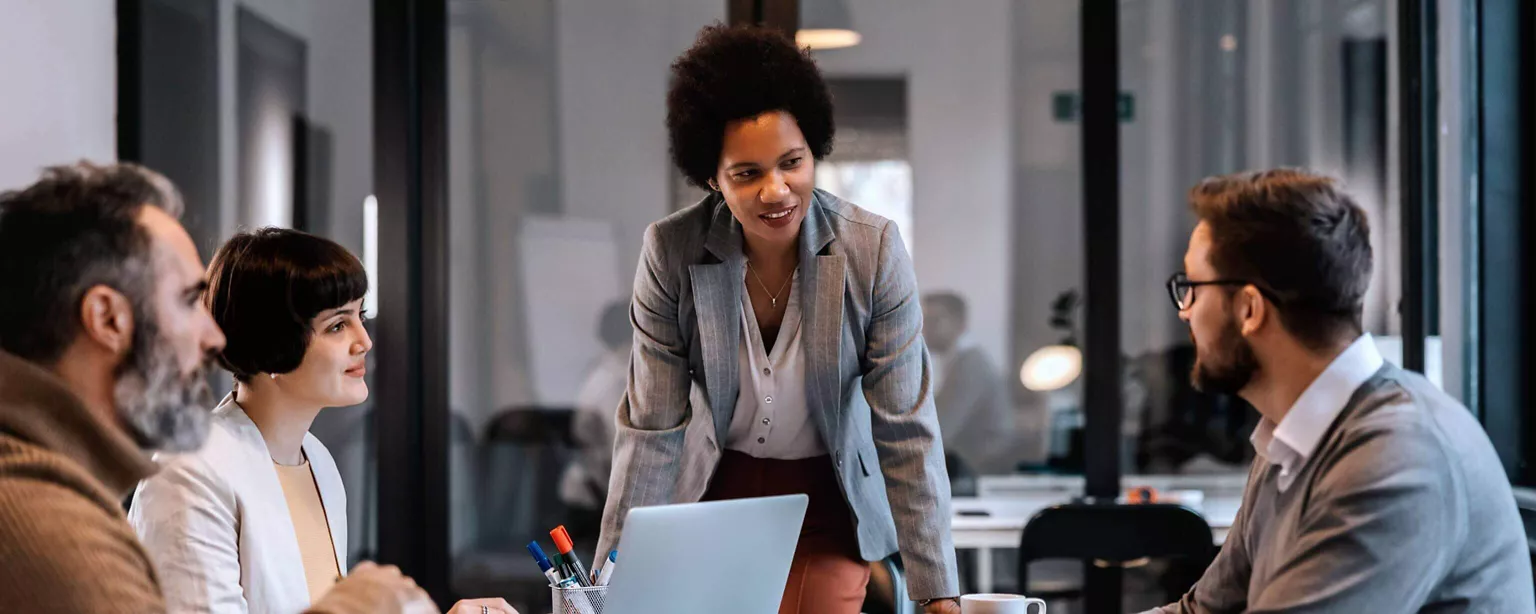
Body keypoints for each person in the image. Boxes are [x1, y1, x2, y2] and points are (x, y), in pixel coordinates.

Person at [596, 25, 961, 614]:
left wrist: (938, 594)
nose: (777, 190)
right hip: (714, 497)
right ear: (711, 177)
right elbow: (651, 430)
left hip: (829, 500)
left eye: (793, 162)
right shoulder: (672, 251)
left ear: (813, 150)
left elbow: (906, 430)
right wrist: (605, 589)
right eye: (746, 173)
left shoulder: (872, 252)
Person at [0, 162, 435, 613]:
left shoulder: (63, 495)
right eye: (189, 301)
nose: (213, 337)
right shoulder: (46, 522)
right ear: (108, 318)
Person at [1149, 169, 1533, 613]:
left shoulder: (1397, 454)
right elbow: (1204, 611)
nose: (1185, 313)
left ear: (1250, 310)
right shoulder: (1289, 439)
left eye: (1192, 289)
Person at [128, 228, 515, 614]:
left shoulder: (318, 462)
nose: (364, 340)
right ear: (272, 346)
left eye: (359, 316)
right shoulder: (190, 471)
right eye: (337, 325)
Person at [921, 292, 1015, 474]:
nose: (926, 329)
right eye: (925, 321)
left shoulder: (971, 365)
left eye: (934, 321)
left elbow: (943, 428)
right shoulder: (958, 362)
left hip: (981, 469)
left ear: (959, 323)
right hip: (970, 465)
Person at [559, 301, 631, 518]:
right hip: (594, 500)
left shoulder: (605, 372)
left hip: (598, 491)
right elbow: (613, 449)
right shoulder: (611, 382)